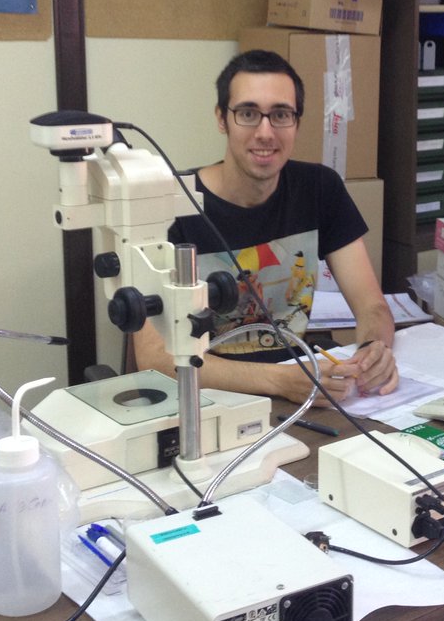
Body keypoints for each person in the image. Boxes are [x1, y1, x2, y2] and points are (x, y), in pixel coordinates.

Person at [133, 49, 399, 405]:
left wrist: (373, 351)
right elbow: (154, 358)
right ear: (222, 119)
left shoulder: (320, 188)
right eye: (248, 114)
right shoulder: (170, 207)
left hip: (300, 392)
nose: (265, 132)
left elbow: (372, 306)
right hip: (211, 401)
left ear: (297, 123)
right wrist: (279, 381)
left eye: (281, 115)